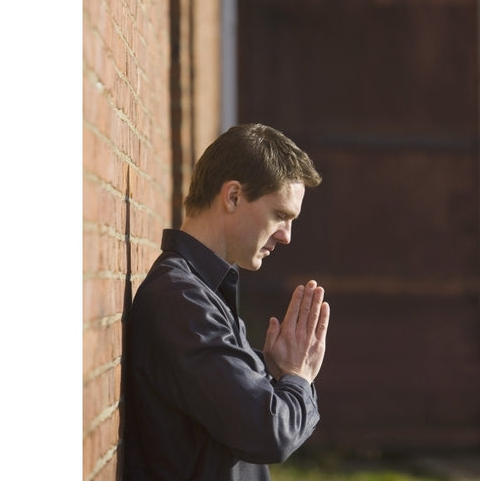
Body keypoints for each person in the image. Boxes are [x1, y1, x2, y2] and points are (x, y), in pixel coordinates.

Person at [123, 123, 330, 480]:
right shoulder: (181, 300)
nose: (287, 236)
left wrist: (279, 377)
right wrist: (298, 378)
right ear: (233, 196)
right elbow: (267, 432)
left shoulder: (204, 292)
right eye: (280, 215)